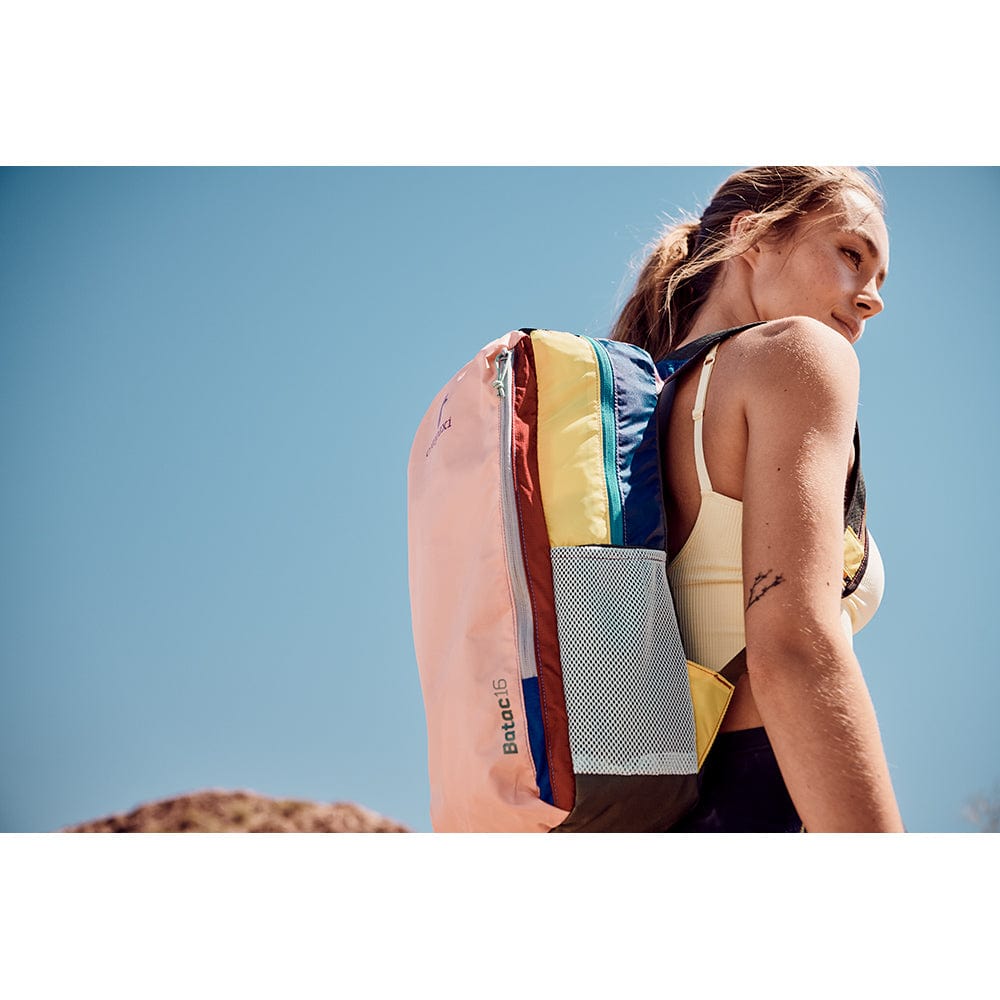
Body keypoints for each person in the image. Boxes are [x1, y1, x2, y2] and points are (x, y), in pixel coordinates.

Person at [611, 166, 905, 832]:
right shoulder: (797, 354)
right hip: (752, 797)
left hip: (636, 808)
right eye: (851, 254)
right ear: (753, 236)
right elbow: (794, 649)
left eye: (880, 279)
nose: (872, 300)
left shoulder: (634, 416)